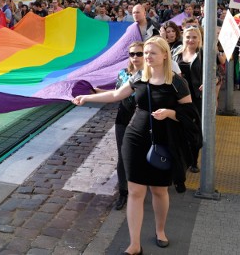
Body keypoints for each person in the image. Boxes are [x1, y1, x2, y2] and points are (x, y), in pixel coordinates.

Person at [73, 37, 198, 255]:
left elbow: (190, 115)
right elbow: (115, 95)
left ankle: (160, 231)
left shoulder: (177, 82)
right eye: (145, 53)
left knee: (159, 190)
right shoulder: (139, 77)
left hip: (163, 141)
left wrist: (170, 113)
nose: (147, 57)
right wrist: (87, 97)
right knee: (135, 191)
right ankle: (134, 244)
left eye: (151, 53)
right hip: (135, 138)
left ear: (165, 55)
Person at [95, 41, 144, 211]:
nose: (136, 57)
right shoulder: (123, 73)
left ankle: (141, 190)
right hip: (123, 119)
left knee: (141, 156)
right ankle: (123, 193)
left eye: (139, 53)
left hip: (143, 122)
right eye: (132, 54)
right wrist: (96, 92)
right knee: (123, 156)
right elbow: (116, 94)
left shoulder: (150, 75)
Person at [172, 26, 204, 174]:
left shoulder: (203, 54)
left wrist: (210, 81)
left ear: (199, 39)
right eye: (188, 37)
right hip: (177, 97)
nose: (191, 40)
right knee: (178, 127)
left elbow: (216, 73)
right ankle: (179, 158)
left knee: (194, 129)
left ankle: (193, 160)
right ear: (183, 38)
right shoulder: (176, 53)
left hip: (195, 98)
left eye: (194, 37)